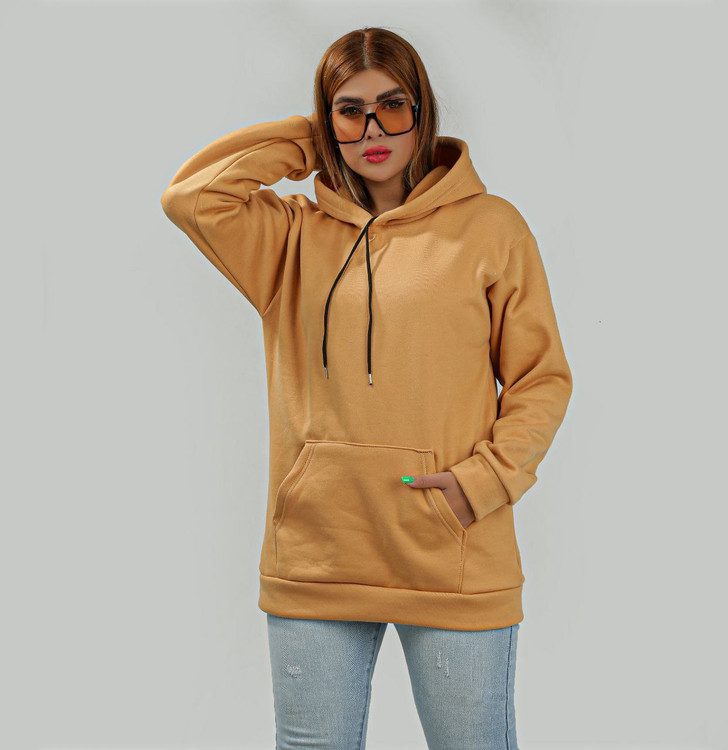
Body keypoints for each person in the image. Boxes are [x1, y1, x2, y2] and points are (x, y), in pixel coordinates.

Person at [161, 25, 573, 750]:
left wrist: (482, 483)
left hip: (451, 554)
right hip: (317, 557)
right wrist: (309, 139)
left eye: (392, 106)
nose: (374, 128)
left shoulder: (491, 229)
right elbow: (192, 197)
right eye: (350, 111)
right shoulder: (288, 239)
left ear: (423, 110)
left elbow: (541, 378)